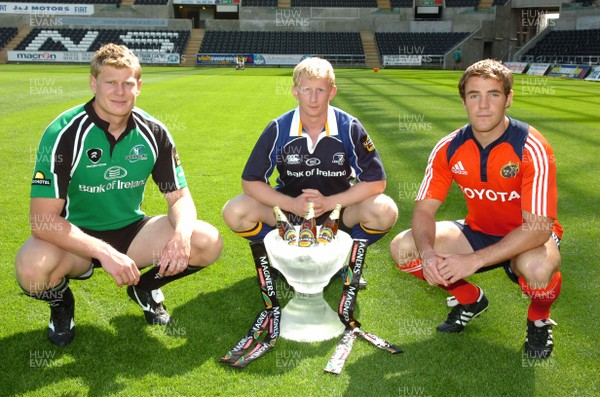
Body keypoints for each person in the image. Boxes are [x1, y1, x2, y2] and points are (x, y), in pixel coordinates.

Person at [15, 44, 223, 346]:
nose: (119, 91)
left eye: (127, 83)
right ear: (93, 83)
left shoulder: (154, 131)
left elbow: (179, 197)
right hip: (76, 242)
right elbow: (42, 221)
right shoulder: (63, 133)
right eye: (110, 82)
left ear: (138, 86)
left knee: (206, 241)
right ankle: (62, 306)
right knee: (31, 268)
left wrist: (181, 235)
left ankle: (145, 287)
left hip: (132, 234)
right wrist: (104, 252)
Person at [390, 59, 562, 359]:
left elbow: (538, 228)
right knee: (404, 248)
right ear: (464, 101)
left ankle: (538, 318)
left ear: (508, 98)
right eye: (474, 95)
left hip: (528, 237)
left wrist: (472, 260)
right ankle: (470, 299)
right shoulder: (448, 147)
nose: (483, 105)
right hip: (479, 231)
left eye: (493, 94)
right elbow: (423, 211)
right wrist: (429, 254)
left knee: (536, 271)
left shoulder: (530, 146)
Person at [222, 57, 398, 288]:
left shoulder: (349, 127)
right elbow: (250, 182)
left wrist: (329, 202)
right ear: (295, 91)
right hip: (290, 213)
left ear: (332, 92)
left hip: (337, 213)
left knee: (385, 210)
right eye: (307, 90)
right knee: (235, 211)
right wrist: (291, 203)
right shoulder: (278, 128)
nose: (313, 98)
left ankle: (345, 263)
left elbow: (376, 182)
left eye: (320, 90)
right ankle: (279, 261)